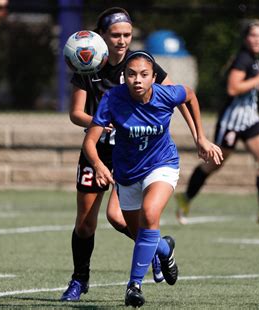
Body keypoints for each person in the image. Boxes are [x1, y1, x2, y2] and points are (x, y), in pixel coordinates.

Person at [61, 7, 198, 301]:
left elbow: (180, 94)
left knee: (121, 220)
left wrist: (200, 136)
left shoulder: (140, 66)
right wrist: (101, 123)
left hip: (133, 154)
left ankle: (155, 252)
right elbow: (75, 114)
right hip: (97, 150)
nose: (122, 40)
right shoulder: (88, 63)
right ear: (102, 36)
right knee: (85, 224)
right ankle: (79, 280)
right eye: (115, 35)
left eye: (127, 34)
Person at [83, 50, 223, 307]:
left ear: (154, 77)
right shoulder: (113, 98)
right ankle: (165, 250)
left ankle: (133, 286)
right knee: (140, 233)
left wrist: (200, 137)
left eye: (144, 74)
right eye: (131, 74)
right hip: (126, 173)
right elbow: (89, 142)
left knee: (150, 214)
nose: (137, 79)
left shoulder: (166, 95)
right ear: (124, 77)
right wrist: (99, 165)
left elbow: (189, 95)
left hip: (162, 165)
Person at [175, 19, 259, 228]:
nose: (257, 40)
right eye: (253, 35)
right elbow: (233, 88)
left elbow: (248, 86)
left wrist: (258, 82)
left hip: (250, 119)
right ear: (245, 38)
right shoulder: (243, 59)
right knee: (215, 163)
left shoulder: (254, 60)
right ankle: (186, 197)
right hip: (232, 121)